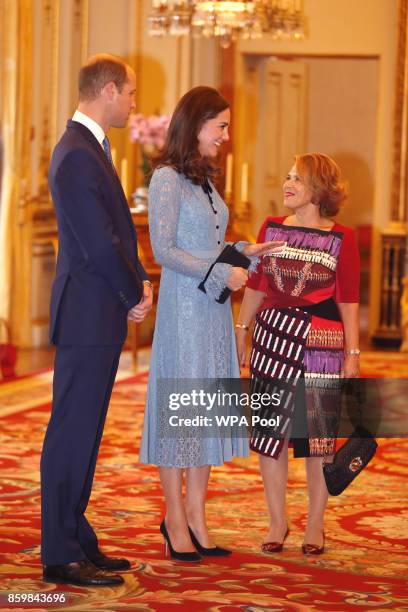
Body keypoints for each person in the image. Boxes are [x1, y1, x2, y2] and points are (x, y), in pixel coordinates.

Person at [139, 86, 282, 562]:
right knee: (182, 415)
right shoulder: (166, 179)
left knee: (201, 415)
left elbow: (207, 243)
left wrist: (246, 251)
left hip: (212, 311)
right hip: (183, 312)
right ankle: (174, 518)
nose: (226, 134)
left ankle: (198, 518)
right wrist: (225, 268)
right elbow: (164, 252)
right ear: (196, 124)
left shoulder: (203, 180)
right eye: (220, 125)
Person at [41, 54, 153, 587]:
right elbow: (99, 245)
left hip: (96, 313)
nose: (134, 103)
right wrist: (134, 290)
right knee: (71, 432)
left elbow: (114, 237)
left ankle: (76, 538)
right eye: (131, 93)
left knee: (85, 434)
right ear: (109, 90)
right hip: (88, 314)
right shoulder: (77, 155)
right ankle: (60, 554)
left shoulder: (90, 150)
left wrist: (136, 285)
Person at [236, 153, 360, 555]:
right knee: (270, 435)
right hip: (272, 338)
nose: (287, 184)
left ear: (319, 190)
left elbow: (349, 301)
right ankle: (276, 520)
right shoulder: (271, 228)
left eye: (297, 179)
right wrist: (242, 328)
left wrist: (352, 353)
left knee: (318, 440)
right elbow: (255, 284)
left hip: (322, 341)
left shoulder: (343, 237)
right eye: (287, 176)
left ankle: (315, 524)